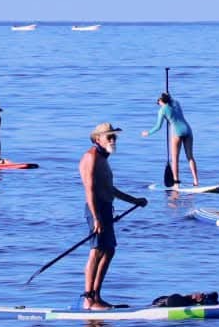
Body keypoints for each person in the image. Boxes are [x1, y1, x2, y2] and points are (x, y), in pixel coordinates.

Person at [79, 122, 149, 311]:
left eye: (114, 137)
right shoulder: (91, 157)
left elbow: (110, 189)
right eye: (109, 137)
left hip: (105, 208)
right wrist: (96, 218)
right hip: (96, 209)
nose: (113, 140)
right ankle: (89, 299)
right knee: (97, 251)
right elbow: (89, 190)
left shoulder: (103, 158)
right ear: (97, 139)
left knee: (109, 250)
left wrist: (134, 200)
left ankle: (96, 296)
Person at [141, 92, 199, 186]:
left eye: (158, 102)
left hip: (177, 132)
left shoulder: (162, 110)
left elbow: (158, 126)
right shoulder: (176, 103)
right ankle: (196, 181)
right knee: (190, 157)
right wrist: (168, 95)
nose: (158, 104)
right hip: (188, 130)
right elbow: (171, 101)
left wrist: (148, 133)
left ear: (161, 101)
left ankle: (176, 183)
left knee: (174, 159)